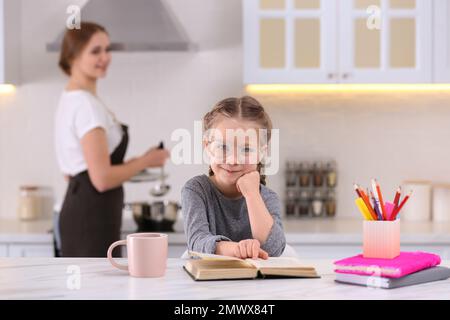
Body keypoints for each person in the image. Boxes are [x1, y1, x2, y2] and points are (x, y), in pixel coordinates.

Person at [54, 22, 169, 257]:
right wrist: (145, 162)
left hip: (83, 210)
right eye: (95, 51)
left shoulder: (71, 98)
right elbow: (102, 179)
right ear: (73, 56)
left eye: (107, 50)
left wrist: (136, 162)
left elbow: (76, 171)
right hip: (90, 216)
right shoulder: (86, 106)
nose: (105, 57)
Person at [181, 96, 286, 259]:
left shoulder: (267, 198)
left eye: (246, 149)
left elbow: (274, 249)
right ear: (207, 148)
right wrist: (237, 249)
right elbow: (197, 242)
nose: (232, 160)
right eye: (223, 147)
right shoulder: (196, 190)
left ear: (261, 153)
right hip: (208, 284)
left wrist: (252, 195)